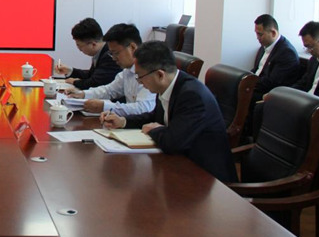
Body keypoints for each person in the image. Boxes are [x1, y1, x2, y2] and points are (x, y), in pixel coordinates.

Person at [101, 41, 237, 182]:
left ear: (160, 75)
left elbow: (173, 142)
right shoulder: (169, 85)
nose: (139, 82)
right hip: (181, 165)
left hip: (207, 178)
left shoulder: (192, 96)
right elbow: (154, 117)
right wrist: (123, 121)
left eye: (140, 77)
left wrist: (154, 130)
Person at [66, 23, 155, 116]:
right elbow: (109, 90)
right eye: (111, 54)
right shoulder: (127, 71)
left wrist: (105, 106)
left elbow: (144, 108)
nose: (114, 58)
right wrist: (83, 94)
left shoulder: (150, 71)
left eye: (116, 53)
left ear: (132, 47)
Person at [54, 18, 121, 89]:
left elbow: (95, 83)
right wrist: (70, 71)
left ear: (93, 44)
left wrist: (74, 82)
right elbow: (91, 74)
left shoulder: (109, 56)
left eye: (79, 46)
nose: (79, 50)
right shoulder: (101, 51)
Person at [251, 14, 300, 99]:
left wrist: (249, 82)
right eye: (256, 34)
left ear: (273, 33)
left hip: (271, 94)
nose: (257, 38)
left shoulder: (287, 53)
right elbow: (257, 70)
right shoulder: (264, 46)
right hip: (257, 86)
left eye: (260, 34)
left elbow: (273, 82)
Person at [291, 21, 319, 102]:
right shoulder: (313, 60)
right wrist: (286, 93)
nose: (309, 51)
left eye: (311, 47)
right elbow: (303, 83)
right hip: (306, 101)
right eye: (306, 48)